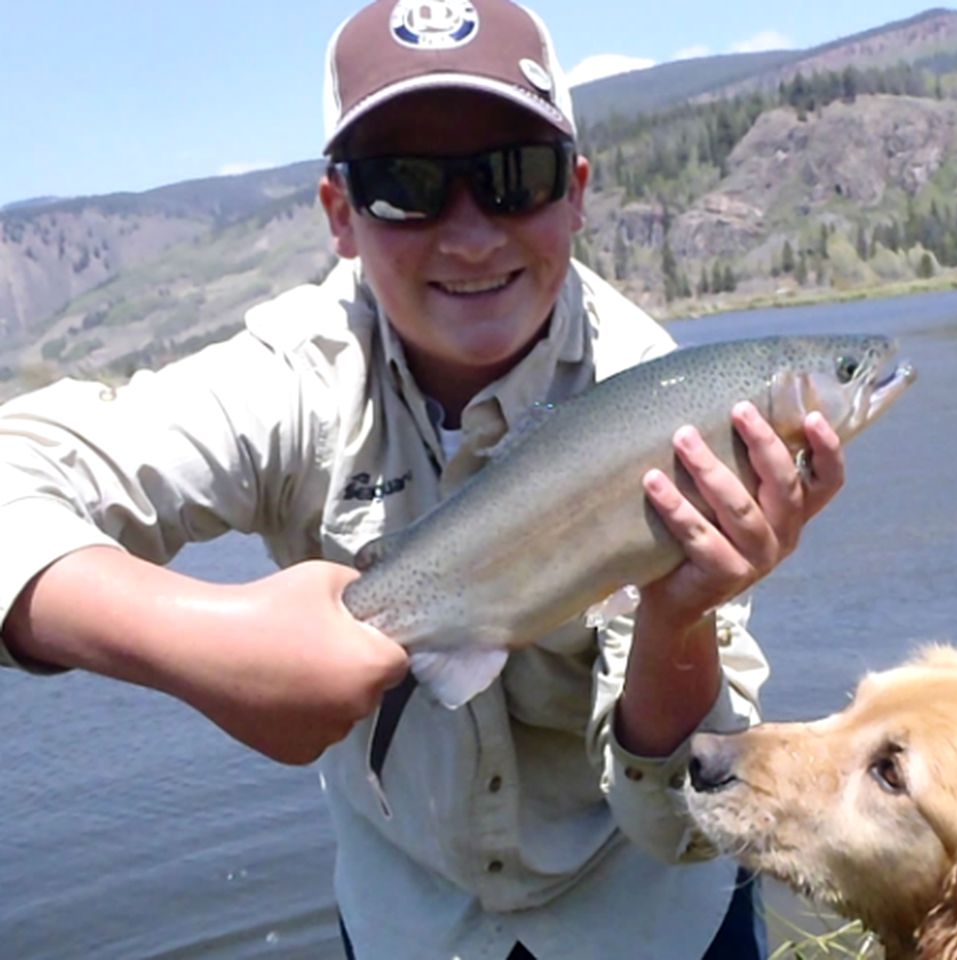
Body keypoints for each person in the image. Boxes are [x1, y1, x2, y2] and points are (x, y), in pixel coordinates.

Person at [0, 1, 847, 957]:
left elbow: (674, 828)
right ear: (340, 217)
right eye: (404, 186)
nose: (471, 236)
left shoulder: (665, 411)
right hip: (411, 919)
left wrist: (677, 614)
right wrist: (205, 645)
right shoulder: (294, 377)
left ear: (574, 192)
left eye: (511, 178)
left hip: (648, 925)